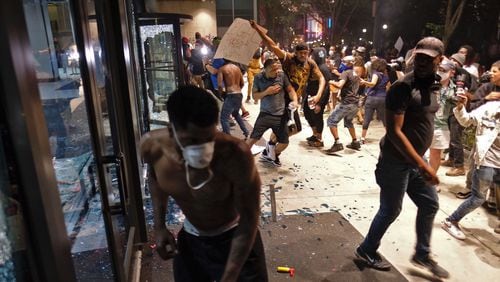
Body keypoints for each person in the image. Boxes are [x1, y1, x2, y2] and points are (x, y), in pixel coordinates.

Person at [140, 86, 268, 281]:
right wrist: (159, 226)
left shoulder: (235, 155)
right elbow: (156, 179)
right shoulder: (152, 147)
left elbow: (249, 220)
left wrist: (230, 276)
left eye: (209, 138)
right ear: (172, 131)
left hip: (235, 239)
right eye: (191, 140)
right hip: (192, 241)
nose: (202, 148)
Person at [355, 37, 449, 279]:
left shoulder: (434, 84)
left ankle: (422, 253)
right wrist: (423, 165)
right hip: (395, 162)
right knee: (390, 209)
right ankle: (366, 250)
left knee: (429, 204)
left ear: (440, 60)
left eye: (428, 58)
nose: (422, 62)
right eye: (419, 56)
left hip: (415, 160)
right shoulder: (402, 87)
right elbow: (394, 132)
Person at [441, 62, 500, 239]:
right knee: (478, 197)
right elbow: (467, 121)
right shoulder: (490, 107)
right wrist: (460, 107)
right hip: (487, 160)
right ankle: (451, 220)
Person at [250, 20, 325, 141]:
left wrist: (318, 95)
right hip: (283, 98)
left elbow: (321, 78)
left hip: (294, 99)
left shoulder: (310, 63)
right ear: (296, 53)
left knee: (290, 128)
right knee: (289, 128)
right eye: (301, 53)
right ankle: (271, 148)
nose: (303, 56)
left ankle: (270, 148)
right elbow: (272, 46)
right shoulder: (288, 58)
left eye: (306, 53)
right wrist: (257, 29)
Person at [246, 59, 298, 167]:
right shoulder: (258, 78)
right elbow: (254, 96)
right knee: (252, 139)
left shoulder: (281, 76)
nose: (277, 71)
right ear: (265, 70)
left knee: (284, 143)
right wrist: (266, 92)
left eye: (277, 68)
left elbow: (290, 90)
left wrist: (295, 101)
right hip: (265, 114)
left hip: (280, 115)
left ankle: (270, 154)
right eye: (273, 70)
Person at [428, 59, 457, 192]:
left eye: (444, 70)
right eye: (439, 69)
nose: (441, 72)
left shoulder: (456, 89)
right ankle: (416, 178)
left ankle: (430, 180)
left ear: (452, 72)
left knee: (436, 154)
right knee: (419, 151)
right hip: (425, 121)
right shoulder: (430, 81)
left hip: (441, 125)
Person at [325, 57, 363, 153]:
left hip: (347, 103)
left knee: (331, 121)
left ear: (350, 63)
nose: (342, 63)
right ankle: (355, 142)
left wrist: (330, 81)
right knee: (349, 122)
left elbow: (340, 85)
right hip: (355, 103)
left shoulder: (346, 73)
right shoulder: (356, 73)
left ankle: (337, 143)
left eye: (344, 61)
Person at [305, 47, 332, 147]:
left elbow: (326, 88)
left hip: (318, 98)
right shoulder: (315, 66)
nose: (311, 56)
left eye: (313, 55)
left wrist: (320, 103)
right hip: (311, 95)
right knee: (308, 114)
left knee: (317, 117)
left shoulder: (323, 68)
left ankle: (319, 139)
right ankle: (315, 134)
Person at [359, 58, 390, 144]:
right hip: (383, 98)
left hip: (372, 98)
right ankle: (390, 137)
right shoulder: (386, 76)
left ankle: (362, 138)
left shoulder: (375, 74)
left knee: (367, 118)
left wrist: (364, 82)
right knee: (384, 119)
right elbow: (388, 87)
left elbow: (373, 83)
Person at [218, 60, 250, 139]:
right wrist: (237, 90)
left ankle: (228, 138)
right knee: (236, 114)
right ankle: (246, 132)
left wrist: (221, 93)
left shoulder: (222, 69)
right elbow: (242, 83)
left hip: (230, 95)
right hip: (239, 94)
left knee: (224, 118)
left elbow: (219, 85)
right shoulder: (237, 68)